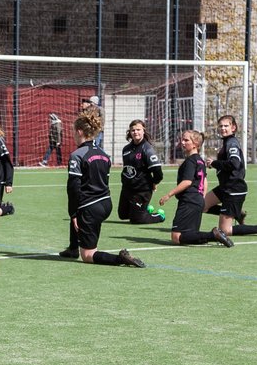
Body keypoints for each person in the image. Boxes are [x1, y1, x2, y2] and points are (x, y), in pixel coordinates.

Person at [58, 108, 145, 267]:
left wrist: (74, 213)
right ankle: (72, 248)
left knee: (88, 254)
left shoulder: (77, 155)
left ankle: (120, 259)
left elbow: (74, 188)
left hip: (91, 209)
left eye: (73, 132)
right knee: (80, 208)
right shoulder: (104, 154)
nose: (73, 135)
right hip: (105, 204)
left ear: (79, 132)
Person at [205, 114, 257, 239]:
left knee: (225, 230)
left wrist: (214, 163)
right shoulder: (227, 142)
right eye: (220, 126)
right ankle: (237, 214)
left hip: (234, 189)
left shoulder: (231, 143)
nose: (223, 128)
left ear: (234, 128)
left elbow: (234, 163)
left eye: (226, 126)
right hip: (225, 187)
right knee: (201, 205)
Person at [157, 130, 233, 247]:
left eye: (186, 140)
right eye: (182, 139)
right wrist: (201, 198)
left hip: (189, 200)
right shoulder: (200, 160)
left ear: (195, 144)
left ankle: (213, 235)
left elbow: (187, 182)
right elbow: (205, 181)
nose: (182, 142)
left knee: (176, 237)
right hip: (197, 200)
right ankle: (214, 236)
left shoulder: (190, 161)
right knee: (191, 234)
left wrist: (169, 195)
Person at [118, 119, 166, 224]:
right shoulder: (126, 149)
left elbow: (158, 172)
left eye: (138, 129)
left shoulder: (147, 149)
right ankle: (145, 209)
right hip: (127, 188)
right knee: (123, 215)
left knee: (136, 219)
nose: (136, 132)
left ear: (143, 131)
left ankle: (160, 216)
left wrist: (153, 182)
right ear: (130, 132)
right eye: (133, 130)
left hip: (141, 190)